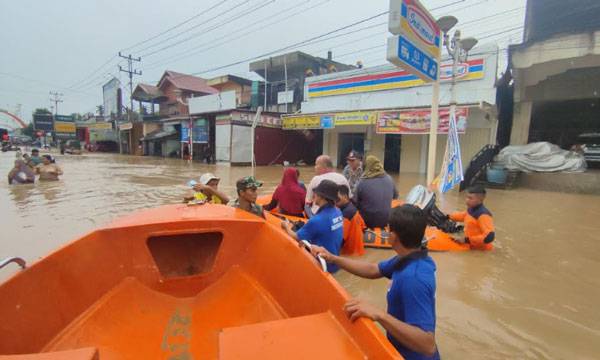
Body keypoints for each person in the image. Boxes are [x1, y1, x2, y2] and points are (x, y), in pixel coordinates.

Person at [311, 205, 440, 359]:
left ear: (393, 236)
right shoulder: (410, 257)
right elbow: (374, 269)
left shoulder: (413, 279)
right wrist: (333, 258)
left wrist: (380, 315)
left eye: (388, 229)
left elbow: (427, 345)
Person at [281, 180, 344, 273]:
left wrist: (286, 226)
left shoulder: (317, 220)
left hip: (322, 266)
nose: (314, 195)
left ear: (322, 197)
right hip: (335, 263)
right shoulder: (338, 212)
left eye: (316, 193)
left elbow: (295, 237)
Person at [354, 155, 398, 229]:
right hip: (386, 220)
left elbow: (355, 203)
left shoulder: (362, 182)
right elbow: (395, 196)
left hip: (368, 221)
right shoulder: (390, 178)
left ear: (366, 167)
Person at [449, 185, 495, 251]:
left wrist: (466, 240)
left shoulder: (483, 215)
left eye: (470, 198)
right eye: (467, 197)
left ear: (480, 200)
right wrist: (449, 216)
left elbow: (489, 237)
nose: (467, 200)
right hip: (471, 246)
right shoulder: (471, 209)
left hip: (482, 251)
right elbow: (464, 216)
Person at [336, 184, 366, 256]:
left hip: (349, 253)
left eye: (337, 199)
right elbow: (364, 227)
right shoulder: (353, 208)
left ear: (345, 197)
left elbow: (340, 239)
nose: (335, 201)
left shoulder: (346, 214)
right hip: (359, 251)